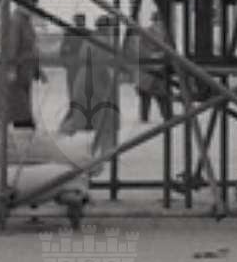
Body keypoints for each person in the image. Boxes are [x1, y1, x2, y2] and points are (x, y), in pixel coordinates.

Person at [62, 13, 122, 160]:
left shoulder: (91, 39)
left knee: (83, 117)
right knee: (106, 118)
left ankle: (61, 138)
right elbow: (103, 64)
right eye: (110, 27)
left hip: (83, 81)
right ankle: (107, 151)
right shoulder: (103, 42)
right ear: (106, 28)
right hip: (94, 83)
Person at [0, 0, 42, 129]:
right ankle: (22, 132)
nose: (34, 8)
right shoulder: (16, 21)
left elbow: (32, 48)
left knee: (19, 109)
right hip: (16, 73)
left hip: (24, 72)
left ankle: (22, 131)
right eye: (32, 5)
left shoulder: (25, 21)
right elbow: (12, 46)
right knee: (18, 110)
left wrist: (37, 69)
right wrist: (11, 70)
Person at [135, 11, 171, 125]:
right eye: (158, 21)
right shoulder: (147, 33)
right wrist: (153, 55)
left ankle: (166, 116)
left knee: (160, 93)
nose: (159, 24)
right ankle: (146, 117)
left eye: (160, 22)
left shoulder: (164, 34)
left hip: (157, 67)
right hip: (149, 67)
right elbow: (142, 49)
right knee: (147, 94)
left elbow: (169, 48)